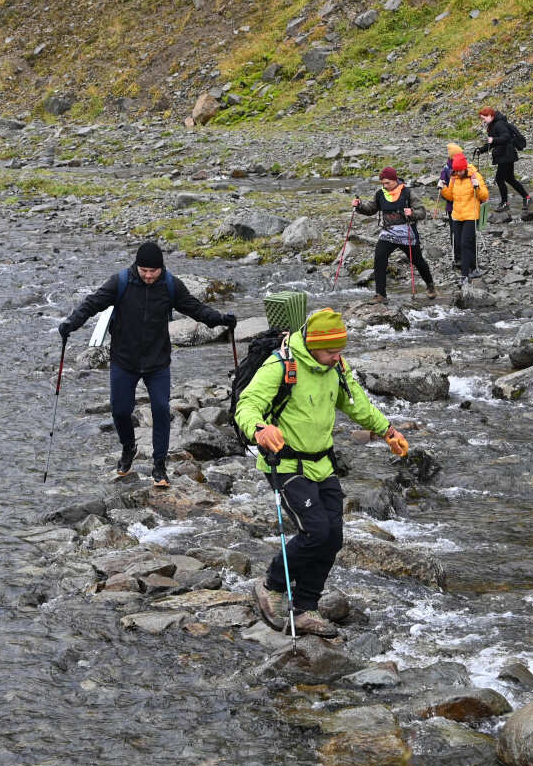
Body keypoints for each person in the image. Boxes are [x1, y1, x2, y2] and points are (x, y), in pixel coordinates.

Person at [234, 308, 410, 638]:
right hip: (284, 464)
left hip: (322, 463)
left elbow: (357, 404)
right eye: (331, 351)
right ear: (313, 345)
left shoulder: (337, 368)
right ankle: (270, 584)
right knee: (315, 531)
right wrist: (259, 428)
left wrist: (388, 431)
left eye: (340, 350)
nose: (336, 357)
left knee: (333, 538)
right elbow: (248, 404)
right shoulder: (281, 365)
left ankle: (305, 608)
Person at [57, 241, 236, 484]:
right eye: (144, 271)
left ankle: (159, 465)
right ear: (137, 267)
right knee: (120, 411)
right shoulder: (119, 282)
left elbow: (195, 308)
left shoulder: (171, 285)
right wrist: (71, 324)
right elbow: (91, 304)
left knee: (161, 410)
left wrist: (221, 319)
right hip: (124, 359)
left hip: (157, 362)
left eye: (154, 271)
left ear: (161, 268)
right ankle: (128, 448)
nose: (149, 276)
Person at [353, 167, 436, 302]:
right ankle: (381, 295)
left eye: (388, 183)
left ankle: (430, 285)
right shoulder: (380, 194)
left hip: (407, 233)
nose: (385, 186)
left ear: (395, 180)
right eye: (383, 183)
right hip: (388, 232)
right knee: (379, 257)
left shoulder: (408, 193)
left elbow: (422, 212)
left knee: (418, 261)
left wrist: (412, 213)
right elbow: (371, 209)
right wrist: (359, 205)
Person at [441, 143, 489, 284]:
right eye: (455, 171)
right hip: (457, 216)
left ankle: (465, 275)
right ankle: (473, 268)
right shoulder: (454, 177)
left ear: (465, 168)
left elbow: (484, 196)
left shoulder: (475, 176)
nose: (458, 174)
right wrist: (443, 188)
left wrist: (476, 186)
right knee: (460, 243)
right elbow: (450, 196)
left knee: (465, 244)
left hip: (471, 215)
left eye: (460, 171)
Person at [477, 107, 532, 216]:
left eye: (484, 118)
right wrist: (481, 150)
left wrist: (494, 140)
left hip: (506, 155)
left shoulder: (499, 124)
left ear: (491, 116)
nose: (483, 121)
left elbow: (506, 137)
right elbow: (492, 143)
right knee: (510, 179)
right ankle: (527, 197)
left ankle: (505, 203)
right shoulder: (493, 125)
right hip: (505, 154)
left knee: (499, 179)